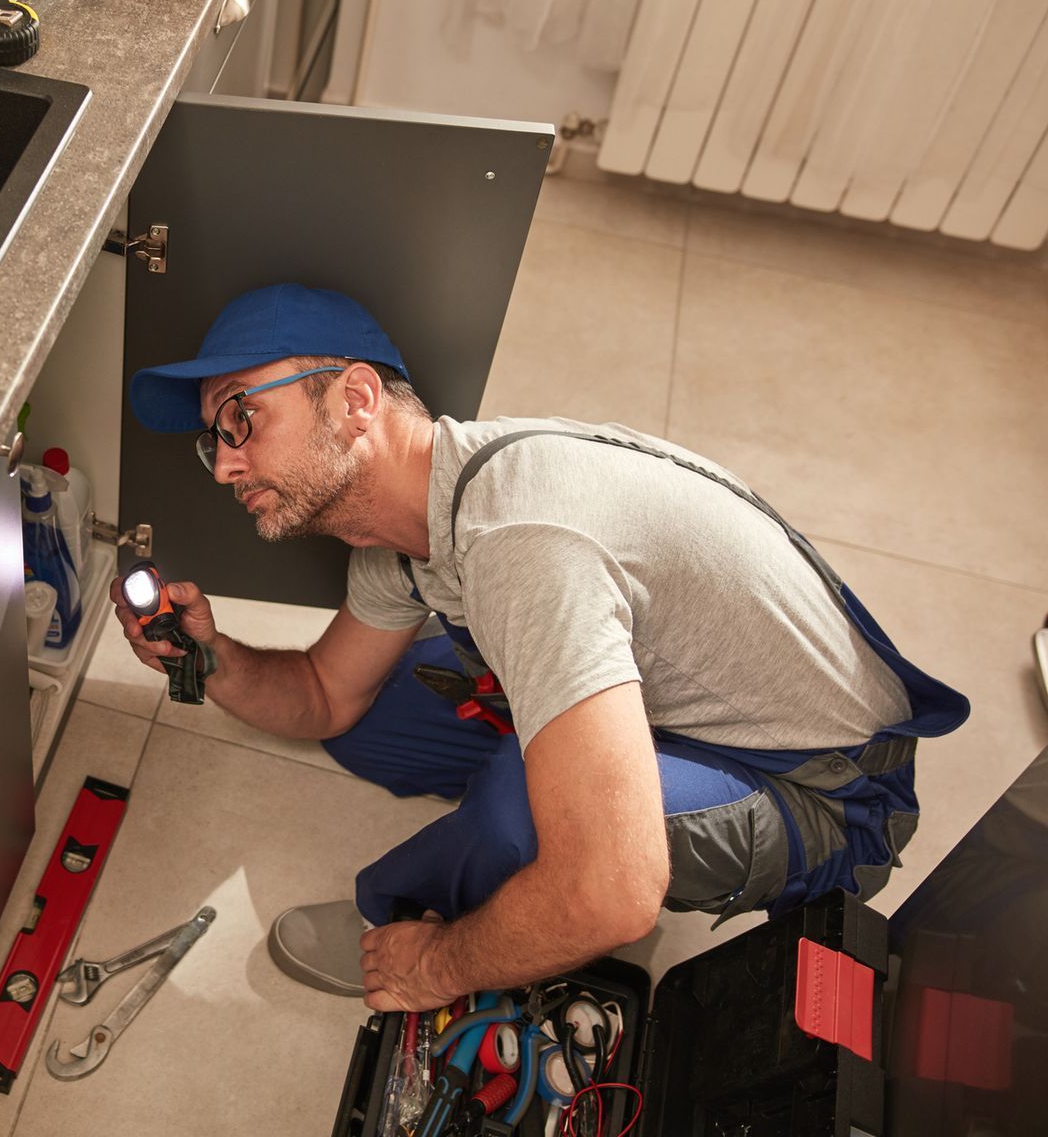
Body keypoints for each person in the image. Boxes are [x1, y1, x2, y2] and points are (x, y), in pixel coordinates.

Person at [112, 283, 969, 1013]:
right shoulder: (408, 526)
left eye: (241, 419)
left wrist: (437, 969)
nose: (223, 467)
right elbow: (326, 693)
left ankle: (404, 925)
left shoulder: (523, 543)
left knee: (523, 811)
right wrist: (213, 655)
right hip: (681, 697)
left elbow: (614, 892)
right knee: (370, 721)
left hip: (823, 788)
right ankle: (552, 817)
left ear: (358, 400)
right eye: (211, 440)